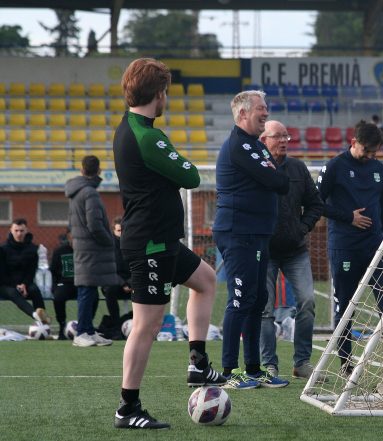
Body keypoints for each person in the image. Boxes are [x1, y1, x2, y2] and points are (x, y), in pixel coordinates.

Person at [112, 58, 223, 430]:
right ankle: (128, 408)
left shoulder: (131, 126)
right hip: (150, 245)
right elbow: (190, 176)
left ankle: (198, 362)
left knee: (205, 280)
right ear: (158, 94)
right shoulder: (148, 135)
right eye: (165, 93)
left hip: (161, 242)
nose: (166, 99)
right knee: (147, 324)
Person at [214, 90, 291, 390]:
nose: (266, 112)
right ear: (243, 113)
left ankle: (253, 369)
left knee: (257, 299)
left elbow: (279, 181)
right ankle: (229, 372)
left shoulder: (254, 147)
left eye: (266, 108)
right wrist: (272, 173)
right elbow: (276, 181)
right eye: (261, 108)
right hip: (238, 233)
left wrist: (272, 172)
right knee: (240, 299)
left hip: (256, 234)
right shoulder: (240, 146)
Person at [317, 120, 383, 376]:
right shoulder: (334, 167)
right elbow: (315, 203)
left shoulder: (378, 168)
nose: (371, 156)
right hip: (345, 248)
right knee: (345, 306)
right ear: (353, 142)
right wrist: (347, 216)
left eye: (375, 152)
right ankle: (345, 363)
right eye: (367, 150)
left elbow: (382, 205)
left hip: (376, 247)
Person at [258, 119, 324, 379]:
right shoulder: (256, 168)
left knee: (307, 301)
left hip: (296, 249)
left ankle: (302, 363)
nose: (284, 140)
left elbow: (315, 204)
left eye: (286, 136)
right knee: (264, 308)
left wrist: (302, 228)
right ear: (264, 140)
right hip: (264, 250)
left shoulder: (297, 168)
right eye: (278, 136)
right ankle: (269, 364)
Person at [65, 155, 115, 348]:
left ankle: (89, 331)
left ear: (81, 170)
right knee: (87, 290)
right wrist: (108, 240)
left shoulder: (76, 191)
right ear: (99, 171)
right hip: (92, 250)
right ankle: (82, 333)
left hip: (83, 248)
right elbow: (94, 225)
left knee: (90, 290)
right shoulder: (90, 193)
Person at [0, 219, 51, 325]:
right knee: (12, 292)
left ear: (26, 230)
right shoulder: (3, 249)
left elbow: (31, 271)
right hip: (5, 284)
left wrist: (25, 284)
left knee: (34, 289)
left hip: (24, 284)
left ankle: (43, 321)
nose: (19, 233)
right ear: (11, 230)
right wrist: (16, 285)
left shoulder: (32, 249)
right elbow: (2, 273)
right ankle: (35, 315)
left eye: (22, 231)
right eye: (16, 230)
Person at [50, 229, 98, 340]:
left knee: (94, 296)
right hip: (65, 283)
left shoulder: (87, 251)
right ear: (68, 237)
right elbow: (53, 271)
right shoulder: (59, 251)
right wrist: (54, 286)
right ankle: (62, 325)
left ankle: (86, 325)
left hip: (82, 283)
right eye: (72, 236)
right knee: (58, 297)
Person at [101, 216, 133, 340]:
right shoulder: (108, 246)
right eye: (119, 231)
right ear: (113, 231)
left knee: (146, 290)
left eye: (124, 230)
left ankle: (140, 325)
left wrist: (130, 283)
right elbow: (108, 269)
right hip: (113, 282)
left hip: (132, 283)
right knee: (110, 291)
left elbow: (138, 266)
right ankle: (116, 326)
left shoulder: (134, 243)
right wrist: (123, 283)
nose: (122, 233)